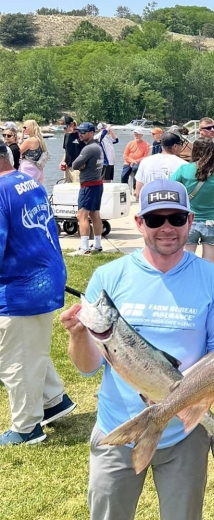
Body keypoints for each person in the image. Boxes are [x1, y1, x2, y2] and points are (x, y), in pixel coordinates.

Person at [59, 179, 214, 519]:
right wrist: (79, 335)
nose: (166, 228)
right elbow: (86, 368)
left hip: (185, 433)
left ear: (189, 221)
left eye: (176, 219)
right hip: (118, 430)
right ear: (140, 222)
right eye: (156, 220)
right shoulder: (108, 277)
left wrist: (177, 398)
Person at [0, 141, 75, 446]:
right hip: (44, 276)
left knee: (15, 358)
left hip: (22, 286)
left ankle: (26, 426)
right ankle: (53, 399)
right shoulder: (26, 181)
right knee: (27, 346)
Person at [170, 138, 214, 262]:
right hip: (210, 219)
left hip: (189, 219)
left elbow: (171, 186)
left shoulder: (184, 169)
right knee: (210, 261)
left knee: (186, 260)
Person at [67, 123, 105, 256]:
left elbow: (75, 165)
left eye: (83, 131)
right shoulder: (97, 147)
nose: (80, 133)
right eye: (79, 131)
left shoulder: (89, 148)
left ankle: (84, 248)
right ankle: (98, 245)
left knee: (81, 215)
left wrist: (82, 165)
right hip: (97, 184)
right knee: (94, 214)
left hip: (88, 185)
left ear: (91, 133)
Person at [134, 131, 188, 200]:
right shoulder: (184, 165)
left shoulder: (145, 161)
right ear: (175, 146)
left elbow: (138, 192)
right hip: (173, 207)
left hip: (150, 206)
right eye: (181, 144)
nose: (182, 146)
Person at [120, 128, 150, 197]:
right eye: (135, 134)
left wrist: (136, 161)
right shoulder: (130, 143)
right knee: (123, 175)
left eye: (138, 134)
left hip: (138, 162)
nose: (136, 135)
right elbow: (125, 155)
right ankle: (124, 190)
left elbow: (145, 156)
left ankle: (135, 188)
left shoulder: (146, 144)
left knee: (136, 169)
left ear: (141, 135)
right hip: (128, 162)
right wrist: (131, 161)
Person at [18, 119, 48, 184]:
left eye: (25, 127)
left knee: (27, 190)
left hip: (28, 168)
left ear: (31, 128)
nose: (23, 129)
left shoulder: (30, 140)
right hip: (38, 168)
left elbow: (18, 152)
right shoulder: (39, 140)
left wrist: (21, 138)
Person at [59, 115, 83, 182]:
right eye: (62, 128)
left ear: (71, 124)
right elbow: (66, 151)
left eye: (65, 127)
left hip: (78, 169)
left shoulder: (81, 134)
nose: (64, 130)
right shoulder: (66, 135)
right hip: (67, 168)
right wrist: (62, 161)